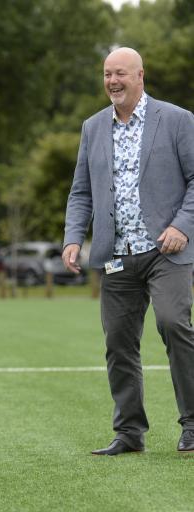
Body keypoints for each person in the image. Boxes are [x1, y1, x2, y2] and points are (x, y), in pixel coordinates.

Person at [63, 47, 194, 456]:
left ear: (140, 76)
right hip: (116, 254)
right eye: (106, 74)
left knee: (174, 324)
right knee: (118, 342)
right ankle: (129, 432)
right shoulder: (93, 127)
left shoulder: (176, 120)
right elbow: (81, 191)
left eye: (120, 73)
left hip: (165, 251)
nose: (112, 81)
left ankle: (192, 425)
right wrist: (72, 237)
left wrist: (181, 226)